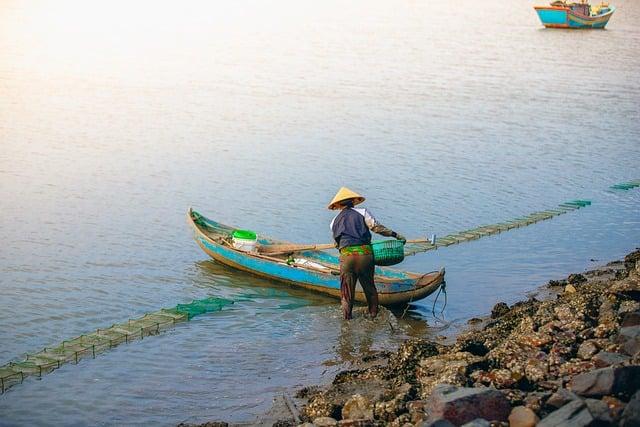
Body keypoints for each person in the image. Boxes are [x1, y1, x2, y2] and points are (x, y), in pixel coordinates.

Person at [328, 187, 406, 320]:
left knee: (346, 292)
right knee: (369, 287)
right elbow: (377, 228)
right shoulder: (363, 212)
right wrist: (395, 235)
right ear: (353, 201)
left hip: (346, 257)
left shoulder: (334, 221)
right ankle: (373, 315)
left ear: (339, 204)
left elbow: (337, 244)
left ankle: (347, 320)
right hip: (365, 256)